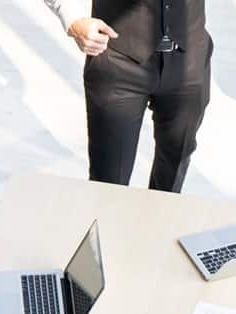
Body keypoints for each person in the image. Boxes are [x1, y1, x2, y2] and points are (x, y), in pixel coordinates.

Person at [43, 0, 213, 193]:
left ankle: (159, 222)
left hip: (189, 62)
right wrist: (73, 19)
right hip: (118, 62)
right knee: (108, 185)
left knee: (173, 176)